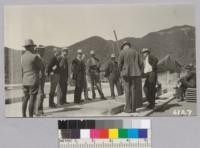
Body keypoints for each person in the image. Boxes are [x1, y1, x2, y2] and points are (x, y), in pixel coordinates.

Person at [21, 39, 43, 117]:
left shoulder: (22, 57)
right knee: (32, 99)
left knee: (25, 98)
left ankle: (23, 115)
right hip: (33, 80)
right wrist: (39, 57)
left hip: (25, 80)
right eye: (33, 46)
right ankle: (30, 117)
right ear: (30, 47)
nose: (34, 48)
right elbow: (41, 66)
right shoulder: (35, 56)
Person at [119, 41, 143, 113]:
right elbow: (141, 63)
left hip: (125, 73)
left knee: (127, 90)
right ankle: (133, 108)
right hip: (135, 74)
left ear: (124, 46)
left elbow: (119, 64)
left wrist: (121, 70)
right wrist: (137, 70)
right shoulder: (135, 52)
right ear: (129, 45)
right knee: (133, 90)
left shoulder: (122, 52)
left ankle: (128, 109)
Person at [35, 45, 46, 116]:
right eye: (42, 50)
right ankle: (38, 111)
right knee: (40, 94)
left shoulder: (40, 58)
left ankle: (39, 110)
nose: (44, 51)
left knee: (40, 94)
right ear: (39, 50)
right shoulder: (37, 58)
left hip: (41, 79)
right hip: (39, 79)